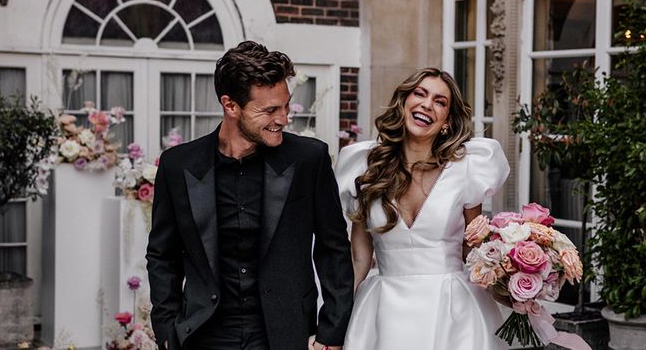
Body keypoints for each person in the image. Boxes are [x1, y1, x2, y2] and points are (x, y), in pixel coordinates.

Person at [147, 40, 354, 350]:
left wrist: (331, 331)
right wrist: (166, 329)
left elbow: (333, 248)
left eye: (285, 106)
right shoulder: (178, 165)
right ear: (231, 105)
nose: (284, 118)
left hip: (283, 334)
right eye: (270, 110)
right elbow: (162, 255)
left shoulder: (310, 159)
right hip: (203, 335)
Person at [335, 67, 510, 349]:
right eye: (420, 94)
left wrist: (513, 287)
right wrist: (334, 321)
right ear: (404, 102)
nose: (427, 104)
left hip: (454, 312)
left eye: (440, 102)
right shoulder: (365, 169)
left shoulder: (466, 169)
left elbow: (473, 251)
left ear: (447, 121)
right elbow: (359, 260)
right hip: (384, 311)